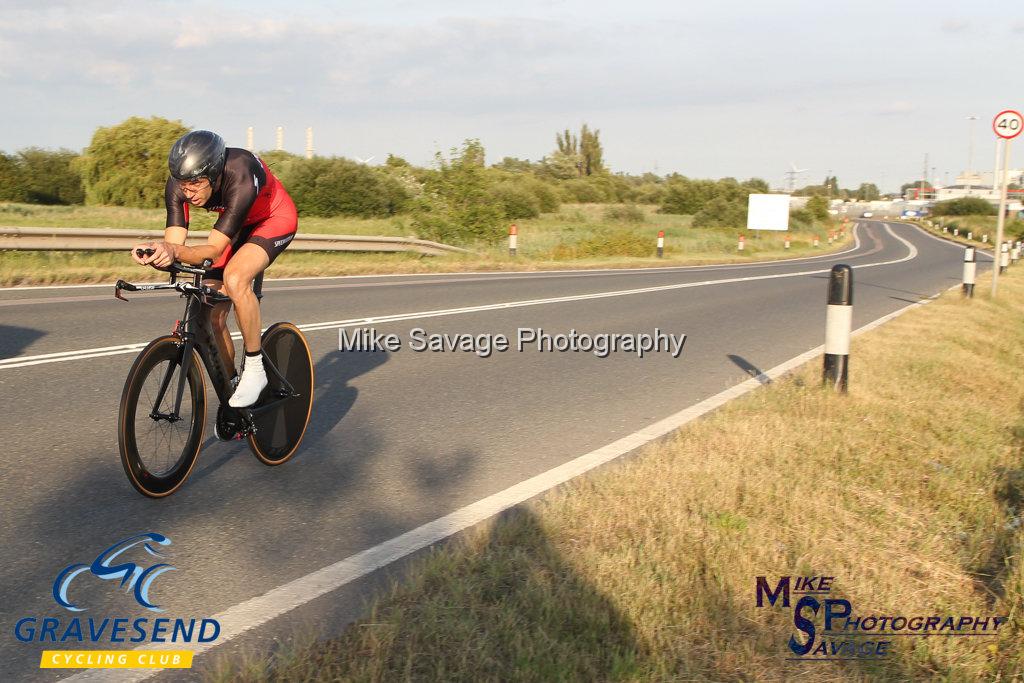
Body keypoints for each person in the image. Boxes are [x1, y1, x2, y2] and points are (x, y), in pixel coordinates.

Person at [131, 130, 298, 408]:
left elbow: (213, 250)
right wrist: (158, 251)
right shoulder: (178, 185)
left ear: (215, 173)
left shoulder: (240, 172)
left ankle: (255, 370)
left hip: (272, 219)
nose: (188, 191)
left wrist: (173, 250)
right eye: (183, 184)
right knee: (210, 309)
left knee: (235, 279)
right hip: (234, 223)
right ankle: (231, 385)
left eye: (196, 183)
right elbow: (175, 243)